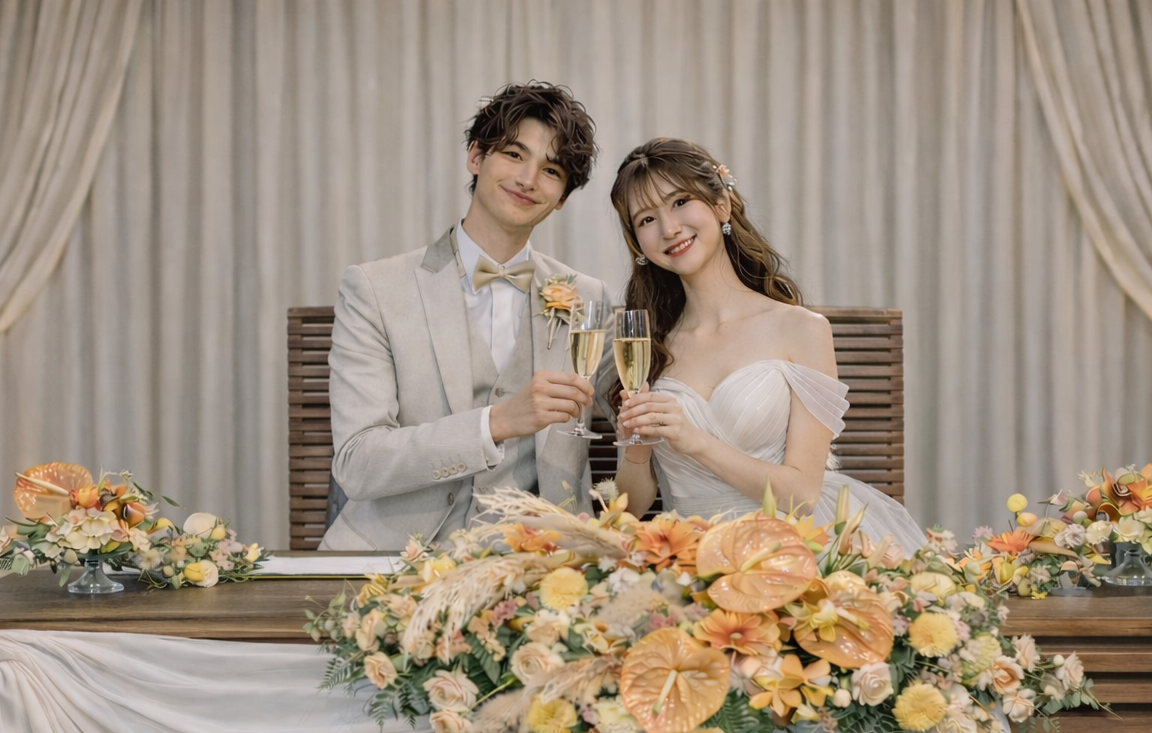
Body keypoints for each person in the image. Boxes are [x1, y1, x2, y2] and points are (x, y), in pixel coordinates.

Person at [321, 82, 614, 552]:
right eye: (514, 155)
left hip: (545, 565)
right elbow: (357, 463)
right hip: (395, 562)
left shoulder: (589, 298)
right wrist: (494, 422)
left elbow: (639, 414)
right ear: (476, 156)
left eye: (551, 170)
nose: (528, 179)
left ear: (561, 197)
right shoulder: (374, 288)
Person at [603, 138, 924, 552]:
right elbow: (630, 510)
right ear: (638, 244)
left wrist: (694, 440)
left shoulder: (801, 329)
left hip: (792, 549)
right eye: (647, 219)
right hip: (687, 556)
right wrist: (636, 451)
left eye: (680, 202)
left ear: (722, 205)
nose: (669, 228)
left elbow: (802, 496)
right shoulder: (647, 347)